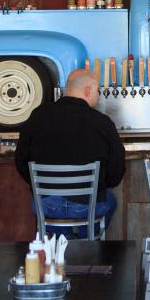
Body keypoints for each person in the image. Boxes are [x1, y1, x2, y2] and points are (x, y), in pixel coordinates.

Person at [15, 69, 125, 237]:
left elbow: (21, 161)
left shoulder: (37, 117)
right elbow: (116, 173)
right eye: (97, 91)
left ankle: (62, 244)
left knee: (49, 209)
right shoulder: (102, 123)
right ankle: (84, 243)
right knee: (110, 201)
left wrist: (40, 187)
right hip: (86, 205)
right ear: (88, 90)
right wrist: (99, 186)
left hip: (46, 204)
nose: (98, 95)